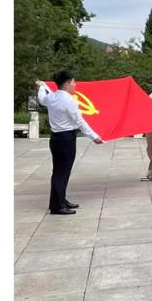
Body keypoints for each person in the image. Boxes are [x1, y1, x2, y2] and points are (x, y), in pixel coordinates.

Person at [36, 73, 104, 214]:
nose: (75, 85)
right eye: (73, 82)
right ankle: (57, 206)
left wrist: (42, 86)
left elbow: (41, 99)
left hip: (55, 138)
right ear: (67, 84)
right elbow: (80, 122)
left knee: (58, 171)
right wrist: (94, 137)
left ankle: (59, 200)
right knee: (62, 172)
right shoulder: (69, 101)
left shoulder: (51, 97)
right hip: (66, 139)